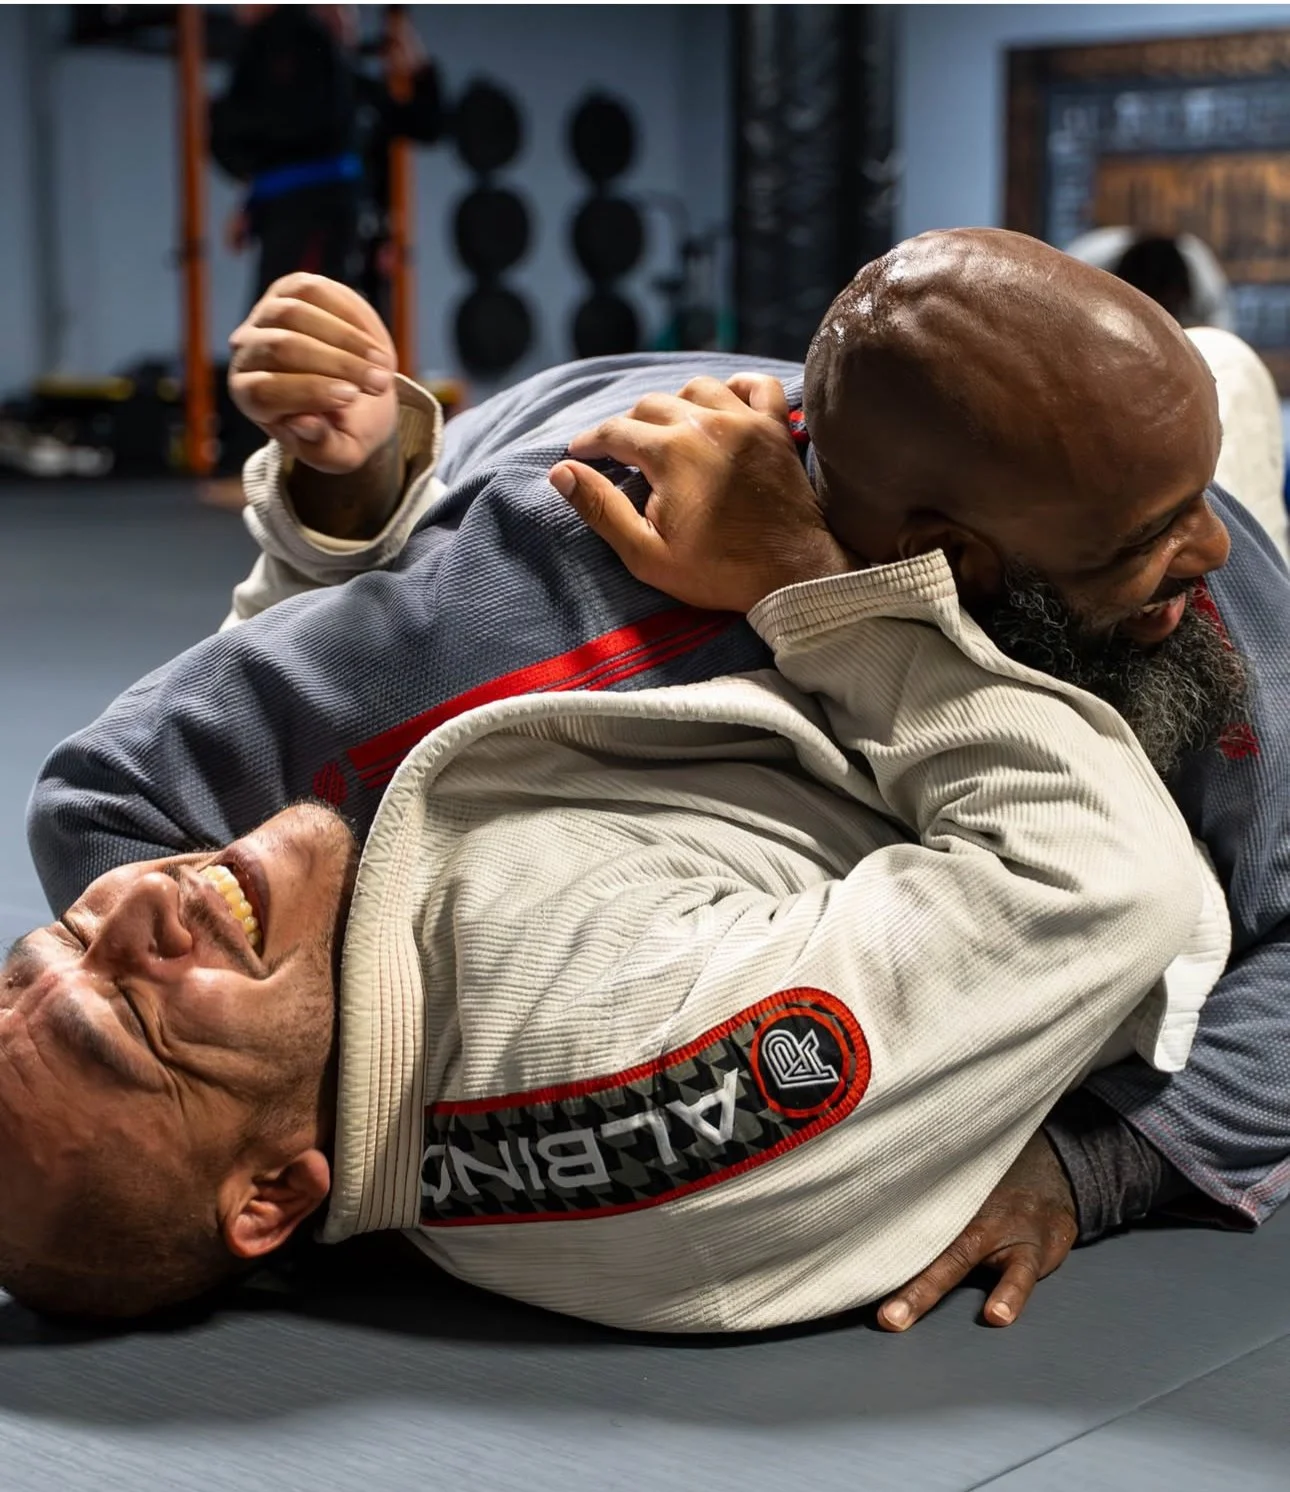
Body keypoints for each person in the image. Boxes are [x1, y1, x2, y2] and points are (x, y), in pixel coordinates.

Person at [16, 230, 1289, 1326]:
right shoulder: (599, 1043)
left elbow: (133, 810)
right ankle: (1217, 413)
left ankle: (1208, 405)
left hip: (568, 429)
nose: (127, 903)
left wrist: (349, 520)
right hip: (903, 588)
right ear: (274, 1192)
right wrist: (1101, 1158)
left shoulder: (355, 914)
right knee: (1211, 486)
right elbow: (1119, 890)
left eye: (49, 942)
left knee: (1198, 434)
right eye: (118, 1020)